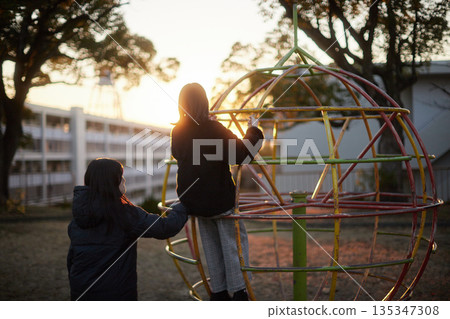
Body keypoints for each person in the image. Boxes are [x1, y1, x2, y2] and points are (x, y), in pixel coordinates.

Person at [171, 83, 264, 301]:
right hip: (219, 200)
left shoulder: (178, 130)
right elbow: (242, 154)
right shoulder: (213, 129)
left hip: (193, 200)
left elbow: (178, 153)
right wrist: (254, 130)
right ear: (204, 103)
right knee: (233, 245)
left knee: (211, 246)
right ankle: (239, 292)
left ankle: (219, 292)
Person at [67, 158, 188, 301]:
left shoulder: (80, 215)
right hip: (115, 294)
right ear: (111, 182)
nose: (124, 180)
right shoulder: (123, 213)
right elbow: (165, 228)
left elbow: (71, 259)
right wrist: (184, 205)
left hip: (81, 291)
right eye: (120, 176)